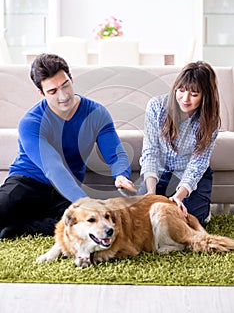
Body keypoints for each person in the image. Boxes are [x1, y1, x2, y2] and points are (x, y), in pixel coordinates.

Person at [0, 53, 134, 239]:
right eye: (53, 91)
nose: (63, 96)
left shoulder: (96, 113)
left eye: (65, 85)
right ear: (41, 93)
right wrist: (85, 203)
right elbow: (54, 168)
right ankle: (24, 220)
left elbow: (116, 154)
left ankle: (24, 226)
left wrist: (121, 174)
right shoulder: (31, 122)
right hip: (28, 182)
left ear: (71, 78)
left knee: (83, 225)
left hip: (65, 188)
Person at [139, 61, 221, 226]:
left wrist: (178, 197)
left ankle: (203, 210)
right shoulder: (156, 107)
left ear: (205, 96)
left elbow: (197, 165)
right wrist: (151, 192)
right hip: (160, 173)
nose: (185, 99)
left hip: (189, 176)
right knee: (142, 216)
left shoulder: (210, 121)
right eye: (181, 90)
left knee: (187, 222)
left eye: (194, 94)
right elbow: (150, 151)